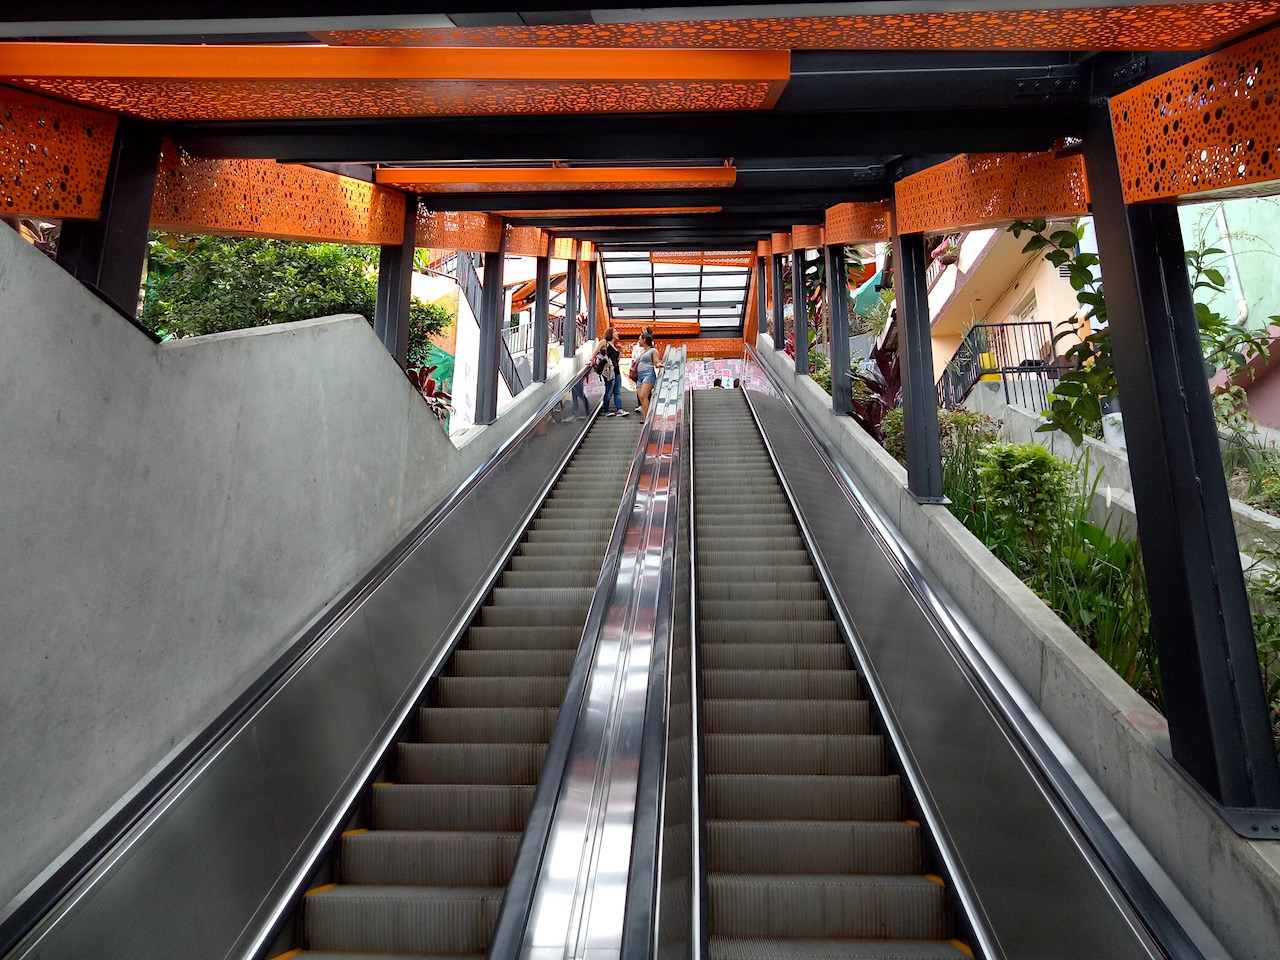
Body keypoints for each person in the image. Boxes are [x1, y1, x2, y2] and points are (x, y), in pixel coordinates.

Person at [596, 327, 627, 417]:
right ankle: (606, 410)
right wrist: (591, 360)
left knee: (617, 391)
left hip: (616, 370)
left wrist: (620, 351)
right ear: (611, 333)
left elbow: (617, 360)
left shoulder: (615, 346)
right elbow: (596, 351)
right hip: (609, 371)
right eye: (615, 332)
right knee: (609, 391)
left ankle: (619, 409)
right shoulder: (604, 342)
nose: (617, 333)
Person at [634, 332, 664, 420]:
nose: (639, 341)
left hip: (648, 373)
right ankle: (645, 419)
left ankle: (648, 419)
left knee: (644, 395)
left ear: (644, 340)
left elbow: (655, 361)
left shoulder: (653, 350)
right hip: (639, 376)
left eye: (640, 339)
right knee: (641, 398)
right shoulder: (643, 352)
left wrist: (658, 365)